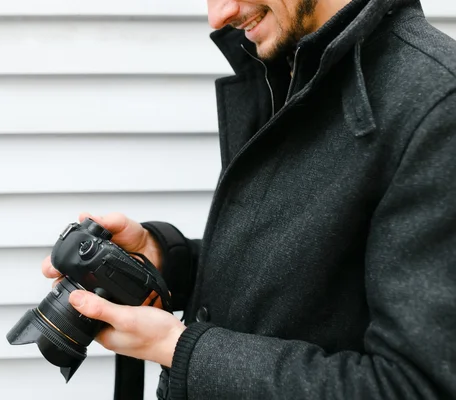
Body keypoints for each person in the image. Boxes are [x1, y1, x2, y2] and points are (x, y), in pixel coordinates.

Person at [43, 0, 456, 398]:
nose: (218, 14)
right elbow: (320, 286)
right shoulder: (291, 64)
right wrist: (167, 260)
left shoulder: (439, 107)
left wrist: (180, 348)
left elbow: (414, 386)